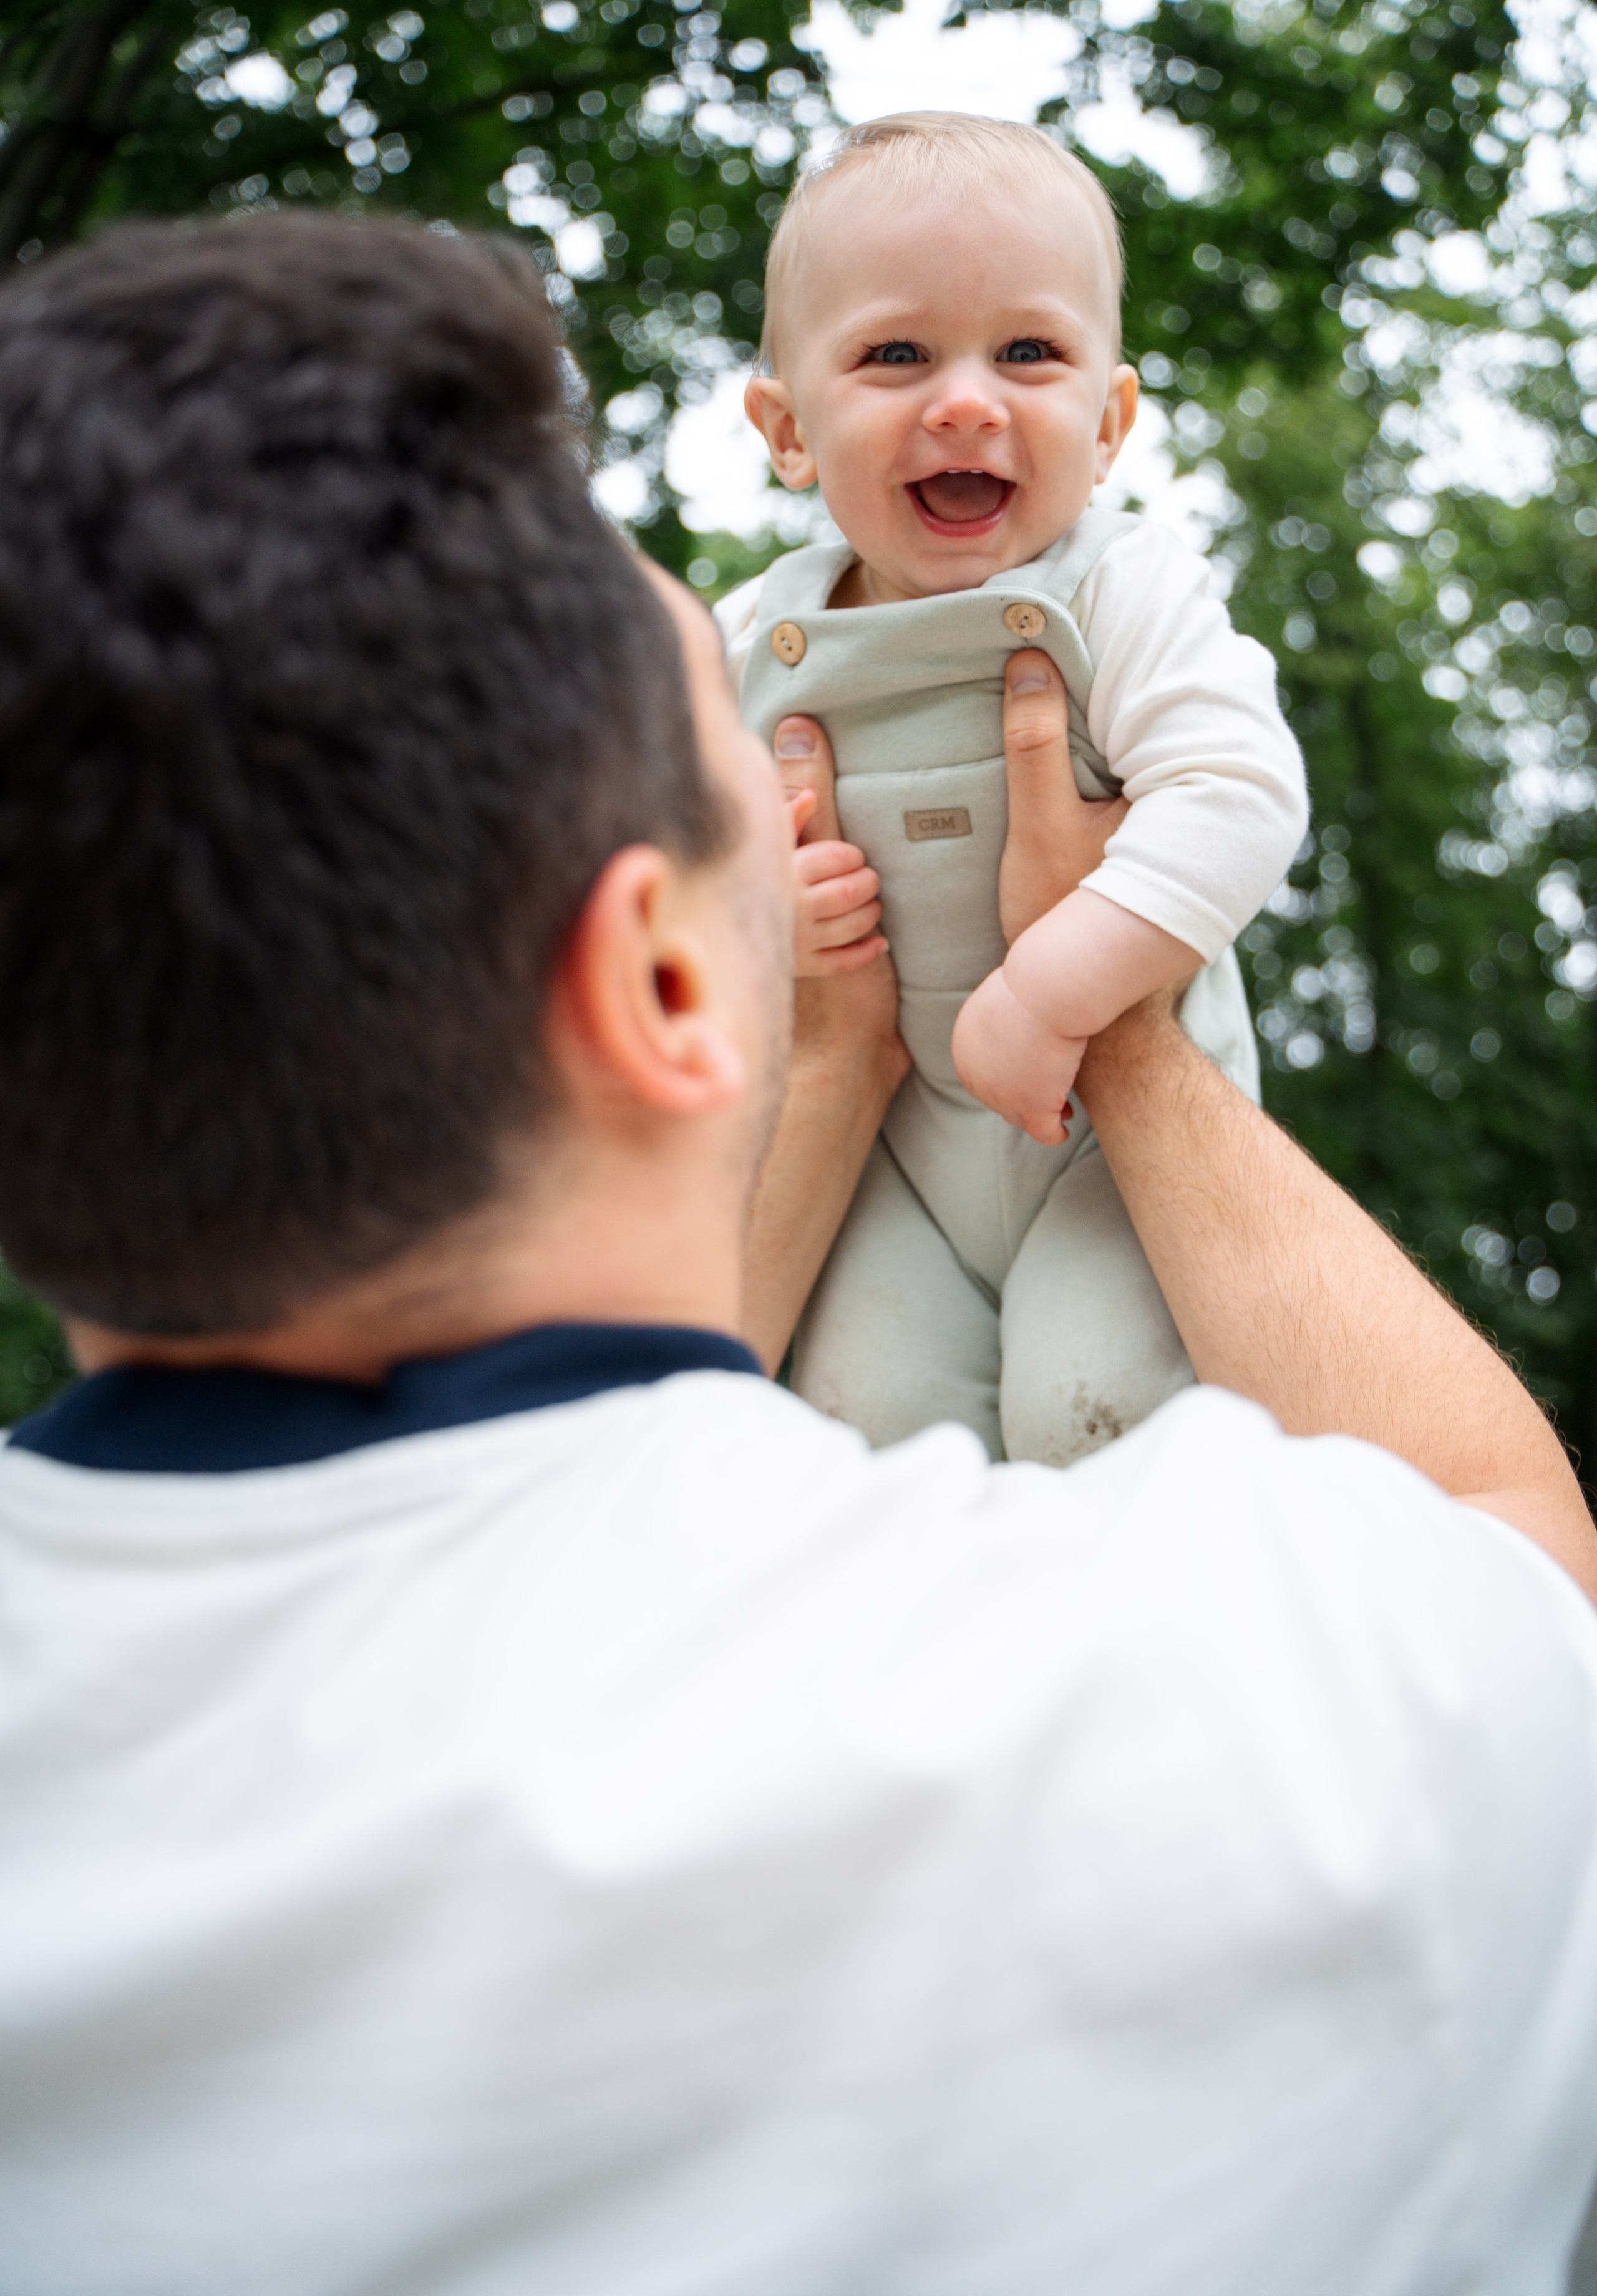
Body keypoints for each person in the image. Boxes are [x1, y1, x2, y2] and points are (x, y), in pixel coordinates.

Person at [1, 212, 1596, 2296]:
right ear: (663, 975)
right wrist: (1113, 1024)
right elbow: (1515, 1554)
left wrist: (834, 1075)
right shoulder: (1236, 1723)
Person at [722, 112, 1308, 1468]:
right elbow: (664, 881)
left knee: (1099, 1420)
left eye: (1027, 353)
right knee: (865, 1444)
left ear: (1106, 423)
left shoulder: (1121, 587)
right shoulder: (746, 641)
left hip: (1113, 1141)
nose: (967, 401)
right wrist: (759, 912)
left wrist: (1053, 996)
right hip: (894, 1163)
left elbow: (1234, 792)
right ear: (786, 428)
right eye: (895, 355)